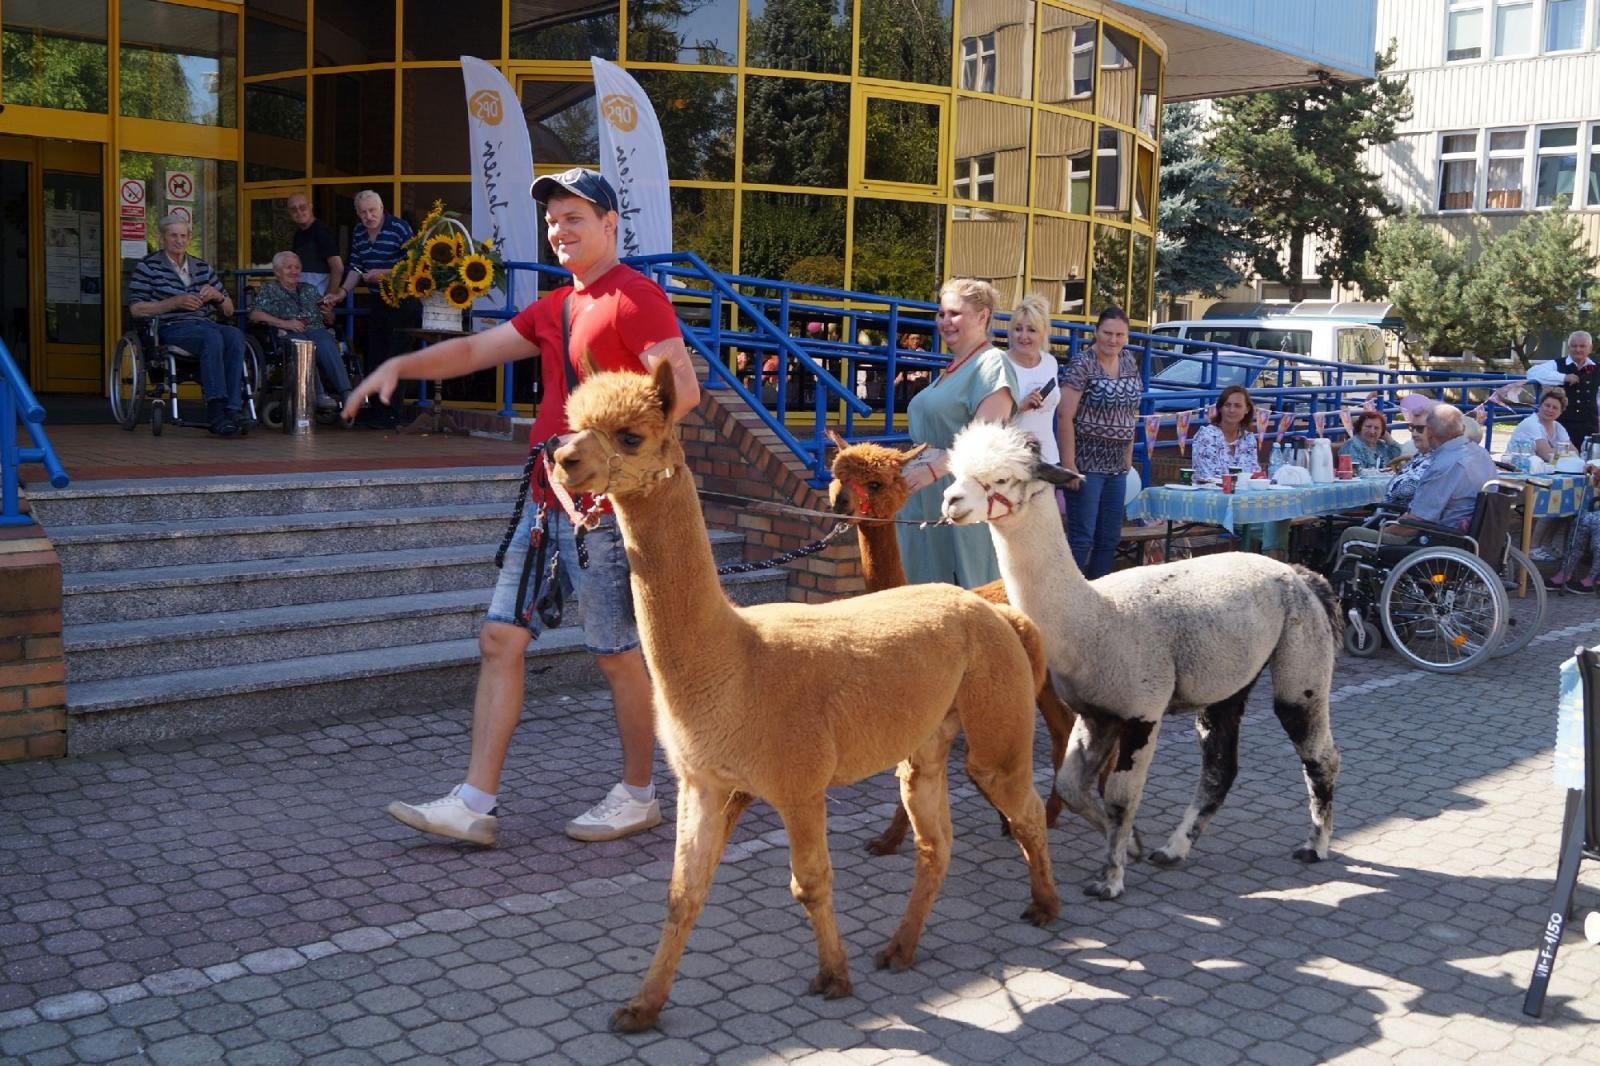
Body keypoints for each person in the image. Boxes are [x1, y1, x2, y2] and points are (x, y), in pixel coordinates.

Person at [351, 168, 699, 846]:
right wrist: (399, 367)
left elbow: (680, 390)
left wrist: (608, 459)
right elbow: (478, 348)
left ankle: (638, 794)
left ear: (609, 225)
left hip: (603, 515)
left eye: (574, 217)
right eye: (552, 220)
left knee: (617, 654)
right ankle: (473, 802)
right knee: (500, 638)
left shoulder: (637, 297)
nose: (559, 230)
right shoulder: (557, 306)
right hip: (546, 504)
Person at [896, 278, 1019, 588]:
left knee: (964, 598)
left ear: (982, 316)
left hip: (959, 499)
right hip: (923, 499)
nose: (945, 322)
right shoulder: (954, 368)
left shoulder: (993, 364)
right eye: (941, 314)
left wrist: (933, 470)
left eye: (955, 313)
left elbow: (984, 441)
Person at [127, 214, 249, 438]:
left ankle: (233, 408)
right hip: (172, 327)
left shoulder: (201, 267)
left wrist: (218, 297)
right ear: (162, 238)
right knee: (211, 338)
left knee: (234, 335)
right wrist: (173, 303)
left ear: (189, 238)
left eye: (183, 236)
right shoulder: (148, 267)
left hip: (205, 324)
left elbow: (229, 310)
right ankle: (216, 412)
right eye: (173, 235)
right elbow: (136, 309)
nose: (179, 240)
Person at [1059, 307, 1142, 579]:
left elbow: (1131, 412)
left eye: (1120, 335)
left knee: (1109, 539)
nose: (1113, 340)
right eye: (1107, 333)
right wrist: (1069, 465)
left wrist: (1128, 456)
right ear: (1096, 332)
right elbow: (1064, 415)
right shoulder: (1082, 364)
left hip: (1117, 467)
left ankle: (1100, 595)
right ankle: (1068, 597)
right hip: (1086, 465)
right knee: (1082, 538)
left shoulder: (1129, 361)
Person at [340, 190, 414, 428]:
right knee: (376, 356)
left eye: (372, 211)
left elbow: (413, 266)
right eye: (363, 212)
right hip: (378, 301)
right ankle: (378, 412)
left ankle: (394, 414)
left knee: (395, 357)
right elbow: (355, 266)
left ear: (382, 208)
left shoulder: (400, 228)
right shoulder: (359, 232)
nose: (368, 216)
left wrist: (383, 274)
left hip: (402, 301)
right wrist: (341, 293)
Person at [248, 251, 352, 411]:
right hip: (288, 333)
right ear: (277, 272)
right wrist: (284, 323)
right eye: (288, 267)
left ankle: (347, 393)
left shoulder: (309, 289)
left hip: (315, 330)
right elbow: (255, 314)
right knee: (302, 345)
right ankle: (318, 394)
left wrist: (327, 310)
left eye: (297, 267)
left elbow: (329, 319)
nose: (294, 271)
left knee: (325, 340)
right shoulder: (269, 289)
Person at [1190, 385, 1284, 553]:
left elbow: (1253, 474)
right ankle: (1276, 568)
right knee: (1270, 525)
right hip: (1213, 502)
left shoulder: (1248, 438)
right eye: (1227, 405)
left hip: (1243, 502)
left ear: (1247, 410)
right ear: (1220, 408)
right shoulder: (1206, 435)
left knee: (1281, 518)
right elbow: (1206, 477)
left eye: (1237, 405)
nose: (1231, 410)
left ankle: (1274, 567)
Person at [1004, 294, 1061, 463]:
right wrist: (1021, 406)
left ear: (1043, 333)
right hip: (1012, 460)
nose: (1023, 336)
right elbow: (985, 419)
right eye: (1018, 328)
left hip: (1048, 458)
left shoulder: (1051, 362)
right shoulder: (1000, 363)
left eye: (1031, 330)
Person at [1525, 331, 1599, 447]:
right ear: (1569, 347)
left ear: (1590, 348)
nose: (1578, 349)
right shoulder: (1557, 364)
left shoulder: (1596, 367)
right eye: (1574, 346)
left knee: (1589, 460)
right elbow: (1532, 373)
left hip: (1590, 425)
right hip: (1563, 424)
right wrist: (1563, 377)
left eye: (1582, 346)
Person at [285, 193, 345, 299]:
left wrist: (328, 298)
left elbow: (337, 267)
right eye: (293, 209)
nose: (299, 212)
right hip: (302, 300)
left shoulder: (321, 231)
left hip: (318, 301)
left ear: (310, 207)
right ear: (289, 212)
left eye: (302, 207)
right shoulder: (298, 234)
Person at [1504, 388, 1571, 462]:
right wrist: (1564, 455)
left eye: (1555, 408)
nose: (1550, 410)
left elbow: (1575, 452)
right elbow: (1547, 455)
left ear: (1561, 412)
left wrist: (1561, 457)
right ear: (1540, 405)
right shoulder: (1531, 424)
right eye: (1547, 405)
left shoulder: (1558, 427)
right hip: (1517, 467)